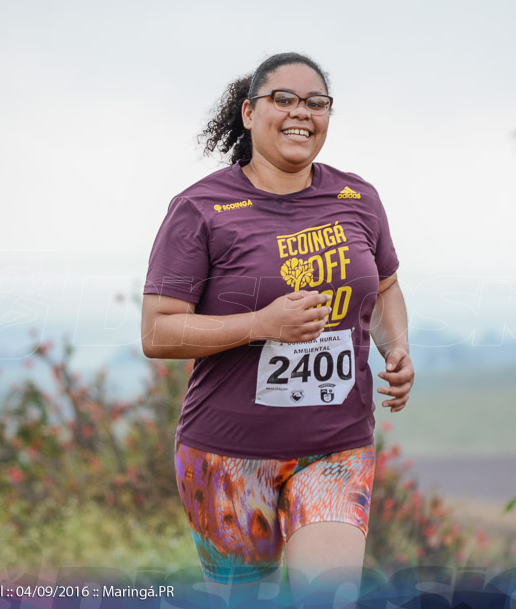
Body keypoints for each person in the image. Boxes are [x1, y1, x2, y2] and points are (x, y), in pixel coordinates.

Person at [141, 52, 413, 606]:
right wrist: (262, 325)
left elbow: (384, 287)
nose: (301, 114)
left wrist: (397, 348)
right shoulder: (201, 209)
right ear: (248, 113)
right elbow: (158, 332)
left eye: (316, 103)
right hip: (227, 456)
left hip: (336, 449)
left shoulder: (358, 198)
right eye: (282, 99)